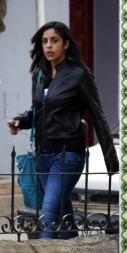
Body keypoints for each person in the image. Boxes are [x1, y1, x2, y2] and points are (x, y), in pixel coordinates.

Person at [8, 22, 119, 240]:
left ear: (66, 44)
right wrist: (21, 121)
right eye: (44, 41)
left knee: (48, 214)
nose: (48, 46)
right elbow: (39, 110)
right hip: (43, 156)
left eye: (54, 40)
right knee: (64, 217)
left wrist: (110, 161)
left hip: (68, 155)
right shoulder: (39, 75)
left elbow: (98, 116)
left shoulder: (79, 75)